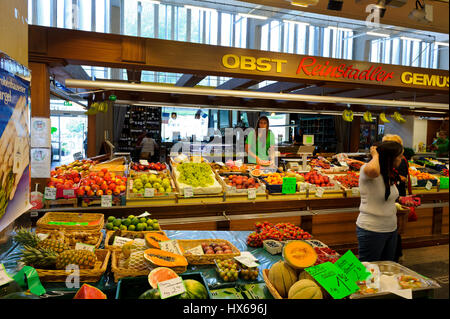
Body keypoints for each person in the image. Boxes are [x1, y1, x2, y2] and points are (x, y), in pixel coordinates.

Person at [356, 141, 405, 262]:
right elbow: (373, 170)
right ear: (390, 158)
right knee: (369, 272)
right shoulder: (368, 171)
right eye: (399, 156)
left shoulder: (389, 174)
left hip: (390, 229)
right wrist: (376, 155)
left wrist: (402, 200)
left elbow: (386, 198)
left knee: (386, 269)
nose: (401, 159)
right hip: (372, 230)